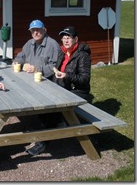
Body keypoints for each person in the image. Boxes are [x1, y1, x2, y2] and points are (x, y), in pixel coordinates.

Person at [26, 26, 92, 156]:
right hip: (63, 87)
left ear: (76, 39)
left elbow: (85, 79)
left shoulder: (82, 55)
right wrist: (39, 70)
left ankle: (43, 142)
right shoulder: (62, 52)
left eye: (68, 38)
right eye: (63, 38)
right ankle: (51, 125)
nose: (65, 40)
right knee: (39, 97)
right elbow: (54, 68)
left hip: (77, 91)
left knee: (52, 110)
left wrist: (67, 75)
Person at [12, 20, 61, 155]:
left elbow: (54, 67)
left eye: (38, 30)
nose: (35, 32)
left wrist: (36, 68)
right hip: (32, 83)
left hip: (49, 84)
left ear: (45, 30)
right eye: (33, 30)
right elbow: (21, 56)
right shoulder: (29, 43)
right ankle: (49, 122)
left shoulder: (52, 45)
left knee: (43, 110)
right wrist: (17, 62)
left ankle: (44, 138)